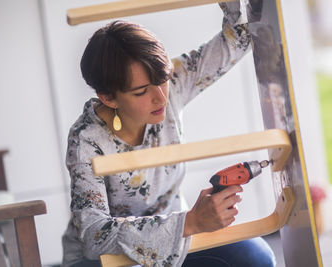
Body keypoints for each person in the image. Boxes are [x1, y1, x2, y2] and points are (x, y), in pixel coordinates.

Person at [62, 0, 275, 266]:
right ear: (108, 97)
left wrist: (232, 3)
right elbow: (94, 236)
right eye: (141, 92)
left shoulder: (171, 85)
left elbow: (239, 38)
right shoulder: (86, 139)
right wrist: (191, 222)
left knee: (255, 258)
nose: (161, 97)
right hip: (107, 259)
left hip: (177, 238)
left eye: (162, 78)